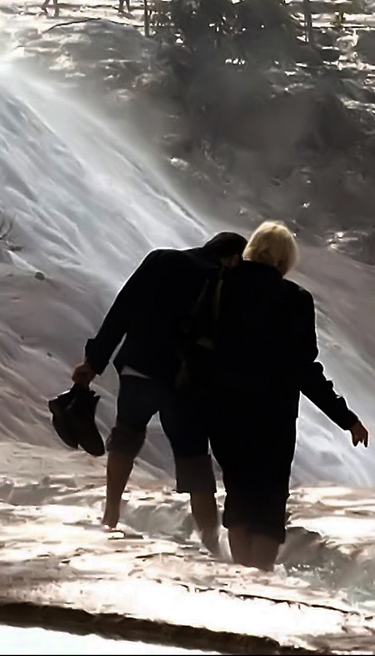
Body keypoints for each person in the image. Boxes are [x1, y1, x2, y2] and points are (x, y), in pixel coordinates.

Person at [200, 222, 370, 571]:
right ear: (284, 258)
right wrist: (346, 418)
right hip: (272, 418)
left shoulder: (220, 285)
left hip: (224, 411)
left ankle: (240, 576)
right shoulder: (294, 300)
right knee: (268, 501)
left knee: (238, 492)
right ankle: (258, 577)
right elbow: (304, 369)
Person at [72, 232, 247, 550]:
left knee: (125, 437)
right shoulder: (224, 282)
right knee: (194, 459)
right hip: (184, 384)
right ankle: (210, 542)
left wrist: (93, 362)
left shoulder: (161, 259)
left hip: (138, 369)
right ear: (234, 258)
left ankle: (111, 512)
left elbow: (121, 309)